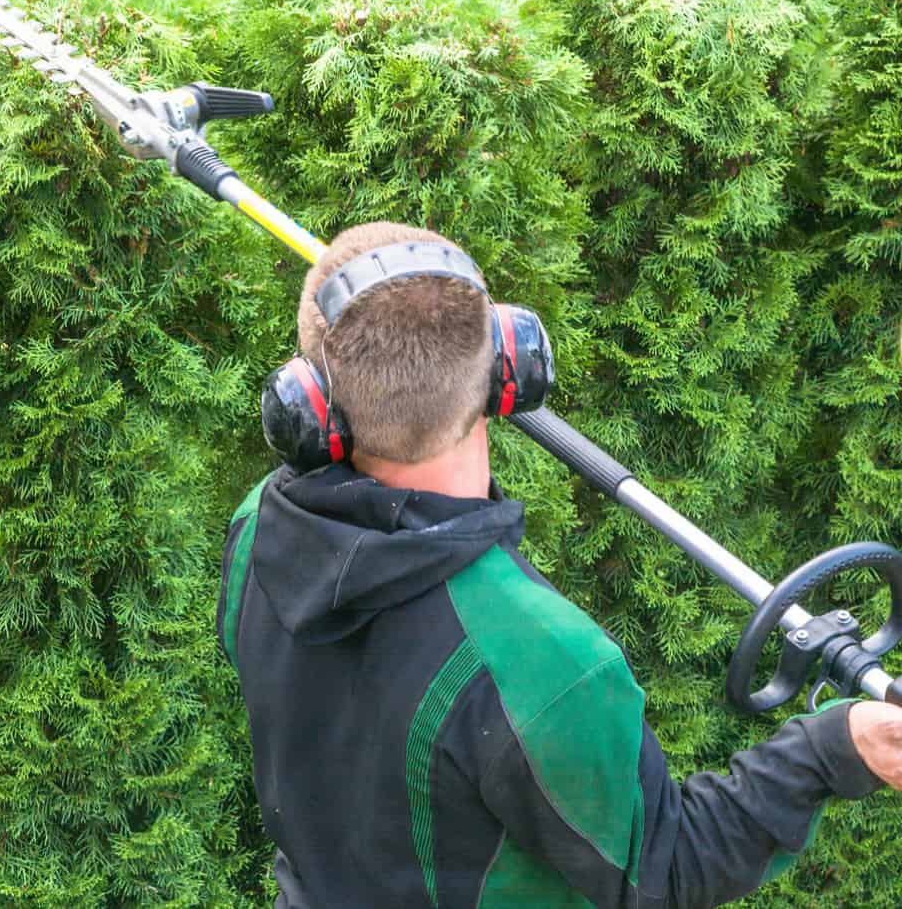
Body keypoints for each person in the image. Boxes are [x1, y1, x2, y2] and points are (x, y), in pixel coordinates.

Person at [216, 221, 902, 908]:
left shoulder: (258, 526)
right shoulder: (542, 660)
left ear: (307, 405)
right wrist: (835, 748)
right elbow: (661, 870)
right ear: (513, 369)